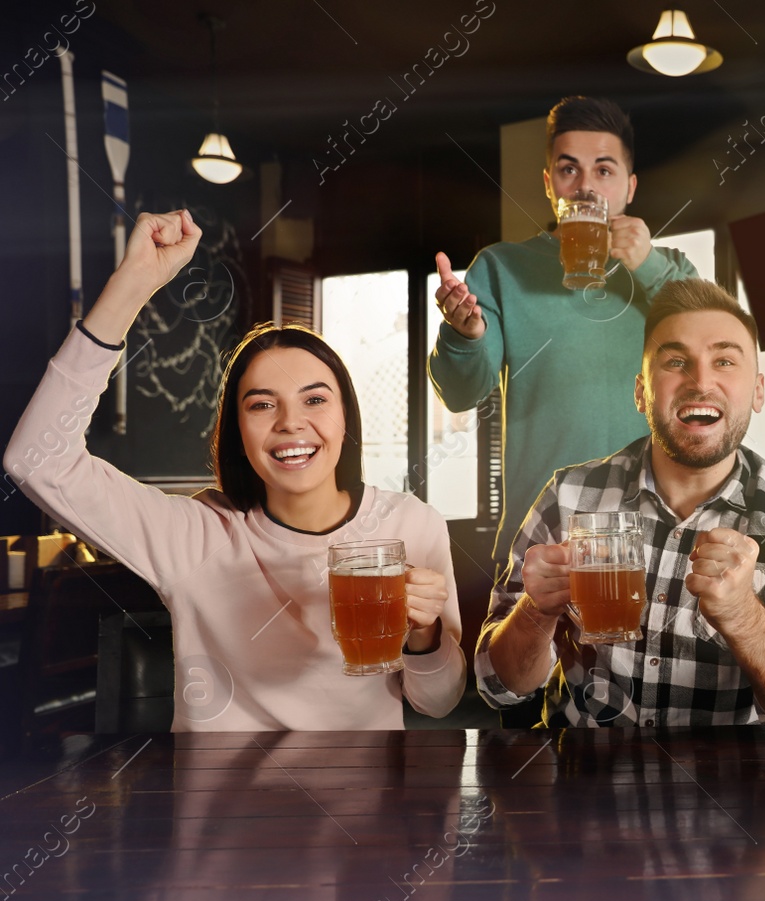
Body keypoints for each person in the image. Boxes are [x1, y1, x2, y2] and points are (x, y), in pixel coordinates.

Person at [4, 211, 466, 731]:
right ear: (236, 431)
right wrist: (132, 285)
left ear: (344, 419)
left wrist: (423, 638)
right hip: (221, 808)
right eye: (262, 405)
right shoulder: (196, 535)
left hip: (365, 806)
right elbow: (35, 460)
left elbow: (440, 701)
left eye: (314, 399)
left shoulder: (411, 525)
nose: (292, 424)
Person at [475, 279, 765, 726]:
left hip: (732, 793)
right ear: (641, 393)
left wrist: (741, 614)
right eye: (676, 362)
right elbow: (499, 689)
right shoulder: (568, 494)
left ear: (758, 391)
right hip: (580, 785)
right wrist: (535, 611)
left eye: (725, 361)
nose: (701, 381)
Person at [428, 95, 699, 576]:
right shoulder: (500, 268)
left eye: (604, 170)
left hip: (647, 539)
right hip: (539, 536)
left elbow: (710, 349)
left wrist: (649, 266)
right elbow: (459, 393)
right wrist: (464, 333)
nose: (586, 187)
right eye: (569, 170)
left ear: (629, 187)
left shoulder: (671, 272)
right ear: (549, 182)